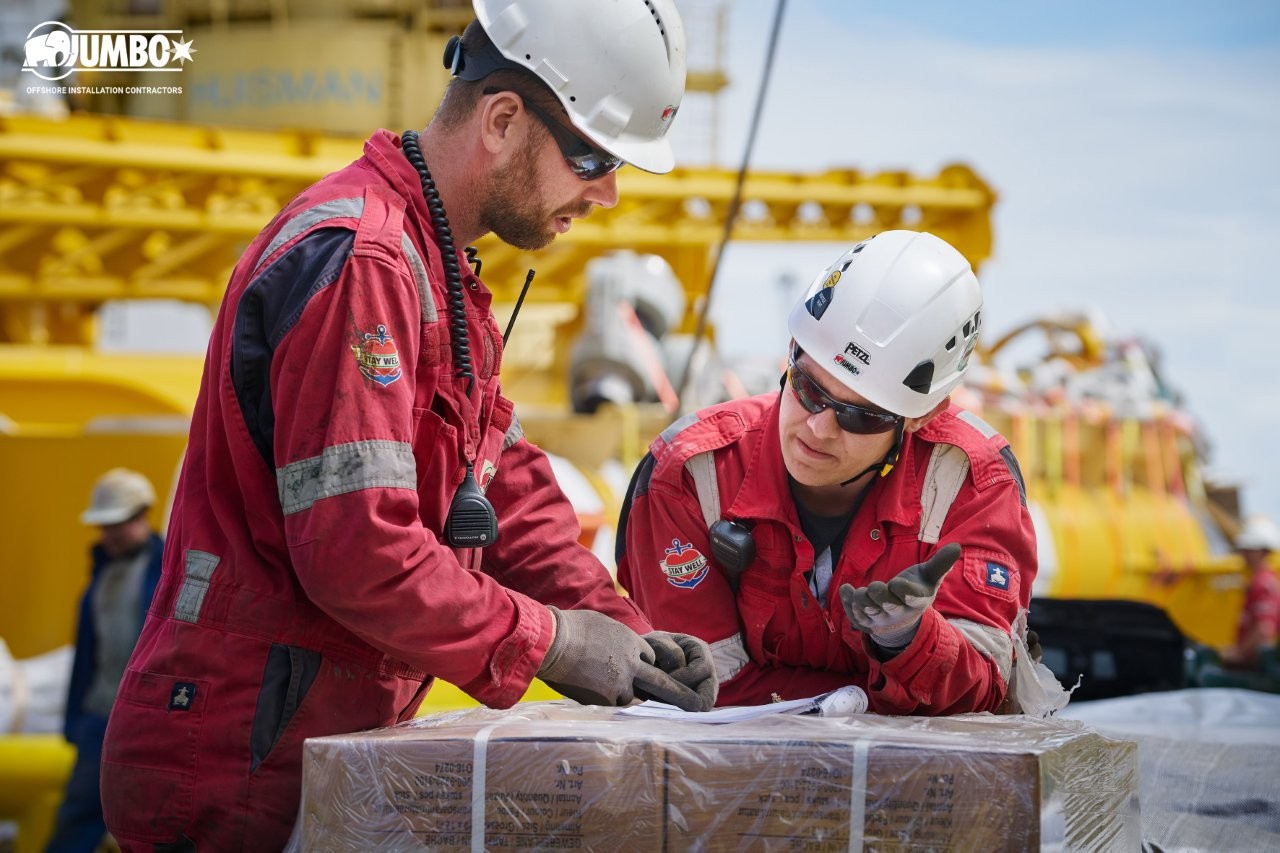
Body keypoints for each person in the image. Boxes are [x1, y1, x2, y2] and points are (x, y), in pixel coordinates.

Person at [100, 1, 715, 849]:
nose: (606, 193)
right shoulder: (364, 260)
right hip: (239, 762)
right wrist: (553, 642)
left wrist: (631, 640)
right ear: (503, 120)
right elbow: (358, 551)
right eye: (593, 157)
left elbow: (504, 499)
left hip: (303, 746)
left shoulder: (435, 277)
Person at [617, 230, 1039, 715]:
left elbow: (984, 690)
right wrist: (860, 698)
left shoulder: (973, 482)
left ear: (921, 417)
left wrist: (910, 641)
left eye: (860, 416)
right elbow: (699, 688)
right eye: (808, 389)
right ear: (791, 353)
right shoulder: (692, 473)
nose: (818, 428)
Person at [47, 469, 163, 853]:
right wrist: (75, 720)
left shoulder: (168, 571)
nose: (108, 534)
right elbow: (87, 653)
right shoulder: (102, 574)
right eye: (104, 526)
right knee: (77, 816)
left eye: (117, 524)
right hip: (101, 717)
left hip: (149, 721)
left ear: (141, 515)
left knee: (155, 823)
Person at [1222, 514, 1280, 670]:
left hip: (1257, 667)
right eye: (1244, 550)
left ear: (1264, 552)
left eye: (1250, 550)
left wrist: (1239, 653)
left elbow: (1264, 628)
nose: (1244, 555)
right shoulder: (1259, 580)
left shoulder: (1263, 583)